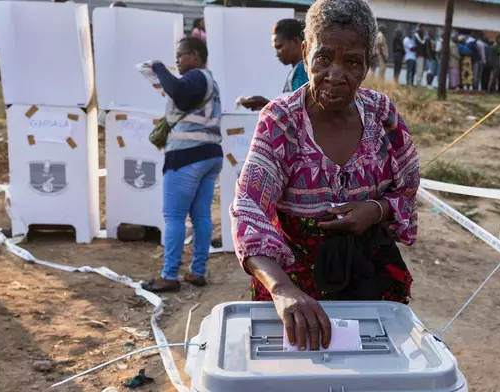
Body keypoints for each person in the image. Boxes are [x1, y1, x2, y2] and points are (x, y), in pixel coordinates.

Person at [231, 0, 420, 351]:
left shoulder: (382, 115)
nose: (335, 75)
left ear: (367, 64)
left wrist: (375, 210)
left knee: (369, 374)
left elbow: (407, 190)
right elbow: (249, 211)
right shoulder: (281, 122)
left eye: (352, 62)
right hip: (297, 290)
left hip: (368, 279)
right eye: (323, 58)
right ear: (305, 53)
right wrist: (283, 290)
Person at [142, 37, 223, 292]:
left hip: (187, 156)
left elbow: (176, 91)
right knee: (200, 215)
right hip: (210, 155)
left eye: (180, 55)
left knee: (174, 216)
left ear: (195, 56)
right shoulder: (208, 81)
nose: (176, 61)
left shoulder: (196, 77)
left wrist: (157, 67)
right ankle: (197, 271)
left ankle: (169, 275)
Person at [241, 19, 308, 111]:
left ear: (296, 42)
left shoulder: (301, 71)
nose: (277, 54)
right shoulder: (299, 69)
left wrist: (267, 104)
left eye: (279, 47)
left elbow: (301, 110)